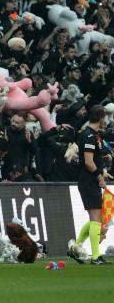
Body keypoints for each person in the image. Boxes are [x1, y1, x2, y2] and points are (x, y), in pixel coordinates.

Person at [68, 105, 110, 265]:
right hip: (88, 180)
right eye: (104, 118)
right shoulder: (89, 136)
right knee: (95, 218)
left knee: (95, 217)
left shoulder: (92, 135)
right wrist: (99, 176)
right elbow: (88, 162)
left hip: (88, 180)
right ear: (100, 118)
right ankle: (95, 256)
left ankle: (76, 247)